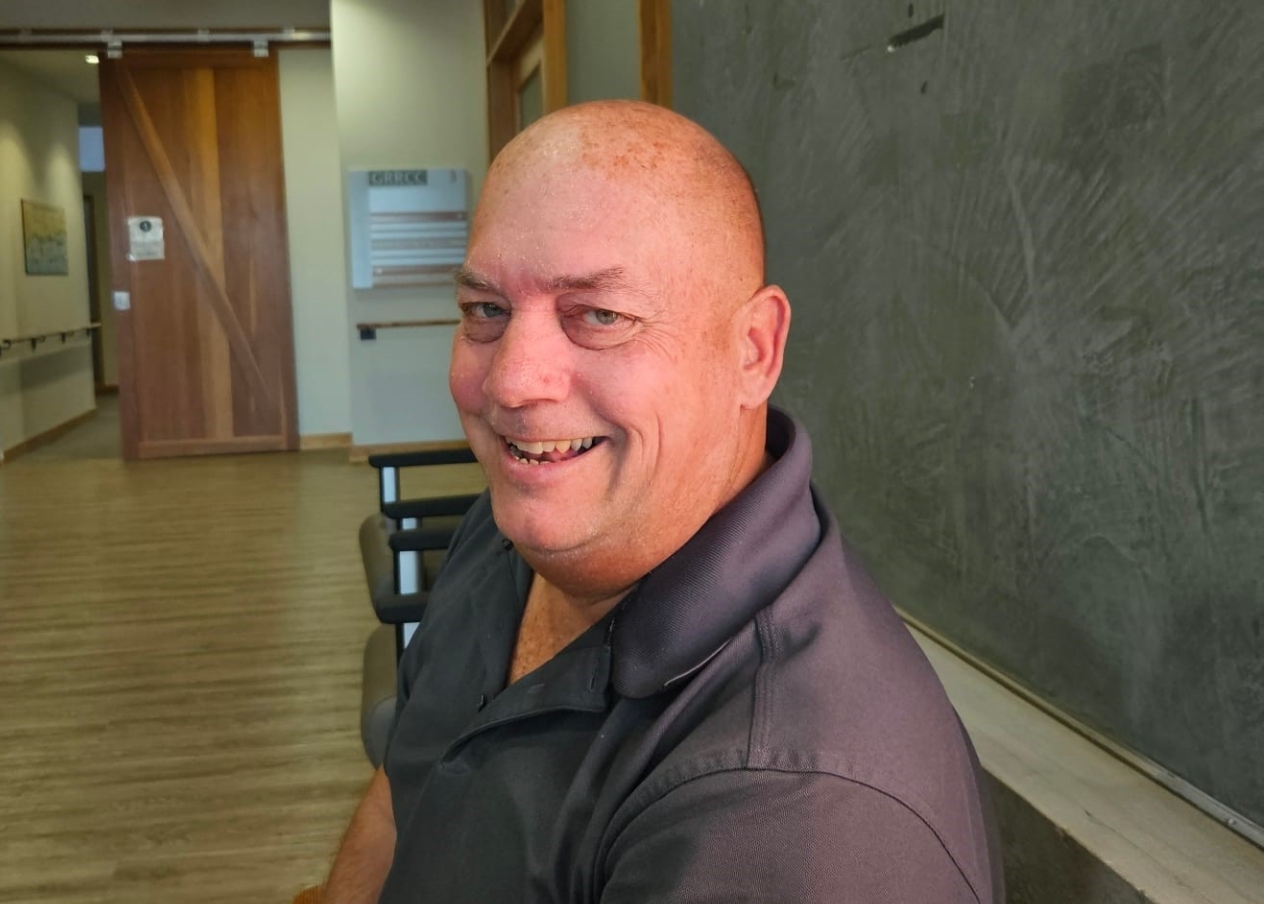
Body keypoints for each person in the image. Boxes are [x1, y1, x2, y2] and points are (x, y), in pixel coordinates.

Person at [320, 101, 1004, 903]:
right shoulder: (514, 530)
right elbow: (410, 783)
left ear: (753, 351)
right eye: (486, 312)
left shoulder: (795, 816)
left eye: (601, 316)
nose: (511, 380)